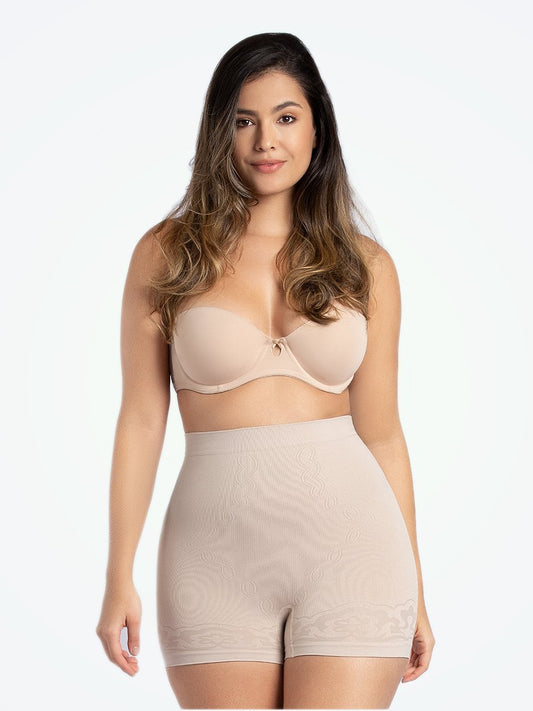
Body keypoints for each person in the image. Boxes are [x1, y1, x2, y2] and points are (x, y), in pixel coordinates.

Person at [96, 31, 435, 709]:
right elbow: (140, 419)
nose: (265, 142)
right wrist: (117, 575)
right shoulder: (167, 254)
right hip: (212, 561)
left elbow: (382, 434)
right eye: (244, 121)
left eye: (285, 117)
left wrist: (419, 592)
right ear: (219, 132)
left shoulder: (365, 266)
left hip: (355, 552)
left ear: (316, 129)